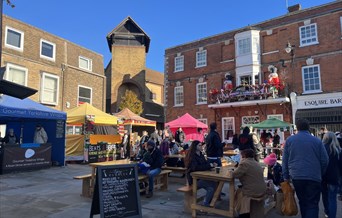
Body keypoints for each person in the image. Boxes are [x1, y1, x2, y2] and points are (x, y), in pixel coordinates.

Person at [282, 118, 329, 218]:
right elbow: (325, 160)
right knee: (312, 204)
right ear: (308, 128)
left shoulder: (290, 140)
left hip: (297, 176)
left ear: (297, 128)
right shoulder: (317, 141)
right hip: (314, 176)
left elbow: (285, 161)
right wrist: (320, 172)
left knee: (302, 202)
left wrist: (286, 177)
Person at [232, 149, 267, 218]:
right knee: (241, 189)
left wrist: (231, 171)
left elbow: (235, 174)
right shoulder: (256, 162)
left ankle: (243, 213)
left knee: (238, 193)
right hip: (262, 189)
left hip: (253, 191)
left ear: (243, 156)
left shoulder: (244, 163)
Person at [184, 140, 217, 207]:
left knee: (214, 183)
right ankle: (206, 203)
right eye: (199, 145)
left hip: (201, 177)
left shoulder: (201, 154)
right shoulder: (192, 156)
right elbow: (195, 168)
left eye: (201, 145)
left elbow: (205, 163)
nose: (201, 146)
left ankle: (209, 200)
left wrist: (211, 165)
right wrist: (209, 166)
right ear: (195, 147)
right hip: (194, 179)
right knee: (211, 187)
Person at [321, 131, 342, 218]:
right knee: (332, 199)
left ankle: (327, 211)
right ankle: (331, 216)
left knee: (325, 196)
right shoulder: (338, 150)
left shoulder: (322, 149)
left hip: (323, 176)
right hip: (334, 177)